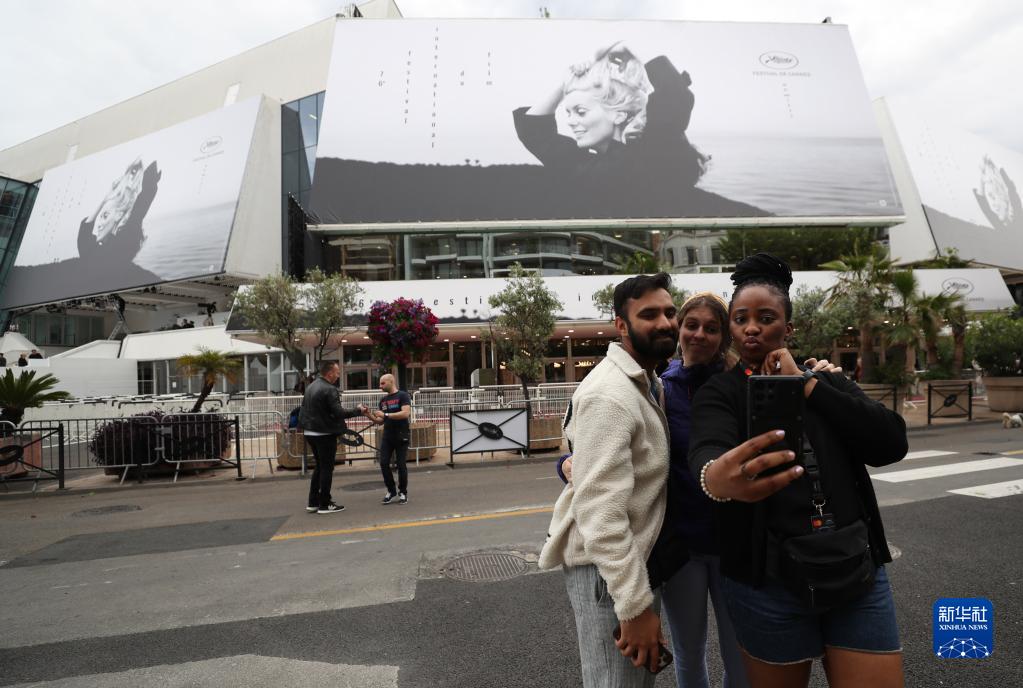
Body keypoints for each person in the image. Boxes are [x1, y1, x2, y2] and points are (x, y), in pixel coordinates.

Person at [688, 253, 908, 688]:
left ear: (788, 329)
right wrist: (715, 477)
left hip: (855, 570)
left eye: (766, 318)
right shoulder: (721, 392)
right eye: (740, 319)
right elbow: (708, 450)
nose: (751, 328)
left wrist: (807, 385)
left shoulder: (827, 381)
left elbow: (891, 444)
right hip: (765, 583)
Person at [539, 273, 678, 686]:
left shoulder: (645, 382)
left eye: (670, 312)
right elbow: (601, 513)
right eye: (649, 314)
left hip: (626, 567)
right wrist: (634, 607)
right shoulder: (610, 395)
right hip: (610, 574)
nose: (665, 322)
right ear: (621, 325)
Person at [514, 42, 706, 194]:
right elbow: (535, 132)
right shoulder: (590, 166)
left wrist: (629, 50)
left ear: (618, 114)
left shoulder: (651, 151)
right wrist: (567, 82)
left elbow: (674, 96)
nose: (570, 121)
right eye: (568, 113)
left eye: (581, 111)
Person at [299, 360, 371, 515]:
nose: (338, 376)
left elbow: (304, 410)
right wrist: (358, 410)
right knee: (326, 468)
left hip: (310, 432)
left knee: (319, 467)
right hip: (324, 433)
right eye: (337, 373)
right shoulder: (330, 389)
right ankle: (325, 504)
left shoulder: (311, 386)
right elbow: (339, 413)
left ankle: (313, 502)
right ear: (330, 373)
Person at [77, 157, 161, 265]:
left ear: (119, 216)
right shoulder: (96, 250)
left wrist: (150, 182)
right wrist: (105, 199)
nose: (99, 224)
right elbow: (84, 239)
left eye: (105, 216)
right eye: (101, 217)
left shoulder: (116, 249)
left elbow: (138, 212)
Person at [368, 373, 413, 505]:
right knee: (383, 463)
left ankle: (403, 492)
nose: (380, 386)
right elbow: (380, 421)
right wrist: (368, 415)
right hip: (387, 436)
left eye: (383, 383)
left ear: (391, 382)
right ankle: (391, 491)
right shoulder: (383, 400)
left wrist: (386, 415)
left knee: (401, 465)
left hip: (401, 435)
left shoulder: (403, 395)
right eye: (380, 383)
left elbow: (405, 413)